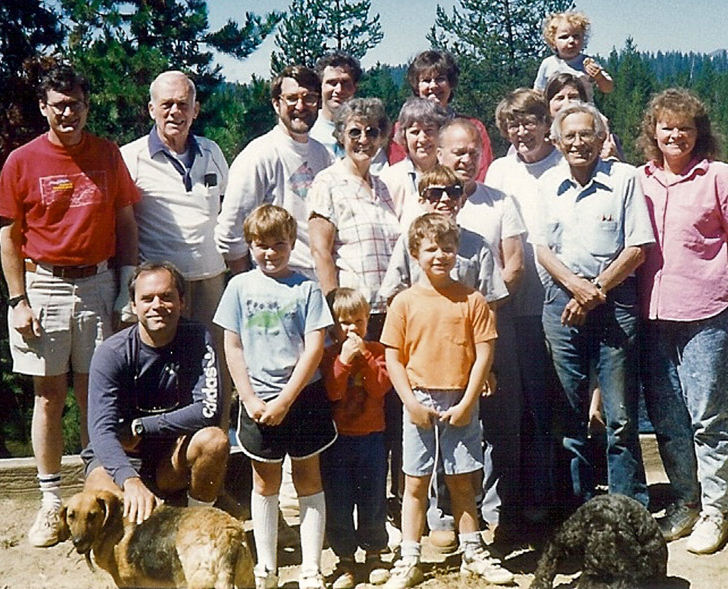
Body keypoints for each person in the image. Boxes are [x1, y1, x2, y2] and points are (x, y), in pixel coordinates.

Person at [0, 64, 139, 547]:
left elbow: (127, 222)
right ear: (44, 108)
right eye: (58, 105)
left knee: (96, 395)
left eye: (75, 103)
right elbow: (8, 235)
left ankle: (98, 498)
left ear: (86, 104)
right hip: (44, 286)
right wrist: (18, 300)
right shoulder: (23, 160)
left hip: (98, 282)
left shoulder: (107, 154)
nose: (67, 113)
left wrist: (126, 286)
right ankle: (52, 501)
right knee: (49, 396)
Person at [637, 88, 728, 554]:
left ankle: (715, 511)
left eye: (684, 128)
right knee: (668, 418)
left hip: (707, 315)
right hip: (652, 314)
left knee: (709, 416)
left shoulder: (721, 178)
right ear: (653, 132)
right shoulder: (640, 180)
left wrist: (717, 279)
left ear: (699, 133)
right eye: (666, 127)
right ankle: (685, 503)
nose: (675, 135)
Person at [530, 102, 654, 509]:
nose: (579, 142)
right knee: (568, 414)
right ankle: (575, 509)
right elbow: (542, 249)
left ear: (602, 138)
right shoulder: (547, 184)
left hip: (614, 303)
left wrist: (595, 289)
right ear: (557, 141)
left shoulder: (625, 178)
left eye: (588, 134)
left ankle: (627, 507)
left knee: (619, 417)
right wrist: (575, 288)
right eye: (571, 136)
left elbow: (637, 247)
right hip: (562, 305)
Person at [381, 214, 512, 589]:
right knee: (415, 482)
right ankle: (409, 557)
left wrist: (469, 401)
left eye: (448, 248)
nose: (440, 255)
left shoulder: (472, 300)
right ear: (414, 253)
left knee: (462, 481)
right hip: (418, 400)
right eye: (431, 249)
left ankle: (473, 552)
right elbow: (394, 357)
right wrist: (410, 402)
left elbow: (484, 353)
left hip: (460, 399)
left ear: (459, 252)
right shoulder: (404, 302)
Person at [215, 204, 337, 589]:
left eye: (278, 245)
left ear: (291, 243)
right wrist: (249, 399)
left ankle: (311, 568)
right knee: (264, 483)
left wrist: (287, 399)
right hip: (258, 401)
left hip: (302, 398)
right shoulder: (238, 287)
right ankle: (266, 568)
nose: (270, 253)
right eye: (260, 245)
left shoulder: (306, 287)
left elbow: (314, 346)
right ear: (250, 245)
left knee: (308, 478)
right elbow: (232, 347)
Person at [121, 70, 232, 424]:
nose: (175, 112)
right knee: (164, 367)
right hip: (160, 286)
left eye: (182, 104)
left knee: (216, 363)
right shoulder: (131, 157)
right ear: (151, 108)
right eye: (166, 104)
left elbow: (228, 212)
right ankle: (164, 445)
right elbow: (121, 226)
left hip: (210, 279)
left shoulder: (212, 152)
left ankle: (215, 440)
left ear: (195, 109)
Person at [81, 262, 229, 523]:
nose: (157, 305)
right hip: (119, 457)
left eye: (167, 297)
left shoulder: (197, 337)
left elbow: (208, 410)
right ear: (134, 305)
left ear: (182, 302)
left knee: (214, 441)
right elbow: (101, 431)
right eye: (147, 299)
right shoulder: (111, 353)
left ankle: (197, 523)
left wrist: (141, 426)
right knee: (100, 505)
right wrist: (129, 479)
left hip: (171, 456)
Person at [437, 117, 524, 545]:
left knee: (493, 419)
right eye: (458, 151)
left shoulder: (499, 202)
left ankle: (490, 508)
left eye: (473, 151)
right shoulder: (428, 204)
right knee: (441, 415)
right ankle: (443, 516)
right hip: (436, 337)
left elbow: (513, 267)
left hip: (490, 325)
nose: (466, 159)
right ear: (440, 155)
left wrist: (476, 309)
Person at [484, 88, 563, 537]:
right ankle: (518, 502)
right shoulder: (499, 171)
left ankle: (555, 498)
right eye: (512, 124)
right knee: (518, 411)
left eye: (529, 121)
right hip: (513, 309)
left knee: (556, 406)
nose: (521, 131)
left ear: (545, 123)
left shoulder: (562, 166)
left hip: (559, 303)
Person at [217, 65, 333, 279]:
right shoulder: (259, 155)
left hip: (321, 278)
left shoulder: (324, 155)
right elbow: (230, 232)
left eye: (309, 98)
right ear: (276, 103)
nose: (301, 106)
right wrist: (252, 281)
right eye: (292, 98)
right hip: (277, 279)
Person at [308, 97, 401, 340]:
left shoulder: (382, 187)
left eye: (372, 132)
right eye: (355, 132)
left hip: (389, 310)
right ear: (341, 136)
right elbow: (321, 252)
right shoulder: (327, 182)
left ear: (382, 137)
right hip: (353, 314)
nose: (364, 139)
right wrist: (335, 311)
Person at [320, 288, 392, 589]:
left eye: (358, 321)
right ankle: (345, 559)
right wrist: (345, 362)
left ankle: (375, 553)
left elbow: (380, 388)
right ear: (332, 327)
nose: (352, 329)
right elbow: (332, 391)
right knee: (338, 499)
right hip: (337, 441)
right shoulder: (328, 355)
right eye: (344, 323)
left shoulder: (377, 350)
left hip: (372, 437)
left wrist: (364, 356)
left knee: (373, 496)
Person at [379, 166, 507, 306]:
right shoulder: (408, 241)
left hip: (464, 322)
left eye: (453, 192)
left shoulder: (478, 245)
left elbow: (489, 300)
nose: (445, 199)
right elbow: (394, 295)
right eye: (435, 194)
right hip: (421, 323)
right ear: (422, 201)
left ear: (462, 200)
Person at [387, 50, 493, 182]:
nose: (433, 86)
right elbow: (398, 173)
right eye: (426, 80)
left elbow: (482, 174)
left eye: (440, 79)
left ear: (451, 83)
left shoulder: (473, 127)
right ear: (416, 87)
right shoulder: (402, 128)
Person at [379, 98, 450, 227]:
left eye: (429, 130)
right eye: (415, 132)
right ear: (404, 136)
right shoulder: (388, 179)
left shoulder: (452, 175)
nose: (422, 139)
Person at [532, 12, 614, 100]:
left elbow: (608, 88)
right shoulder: (548, 64)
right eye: (564, 37)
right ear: (553, 41)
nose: (571, 41)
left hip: (584, 110)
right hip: (556, 110)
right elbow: (538, 92)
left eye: (576, 36)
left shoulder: (588, 62)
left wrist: (599, 77)